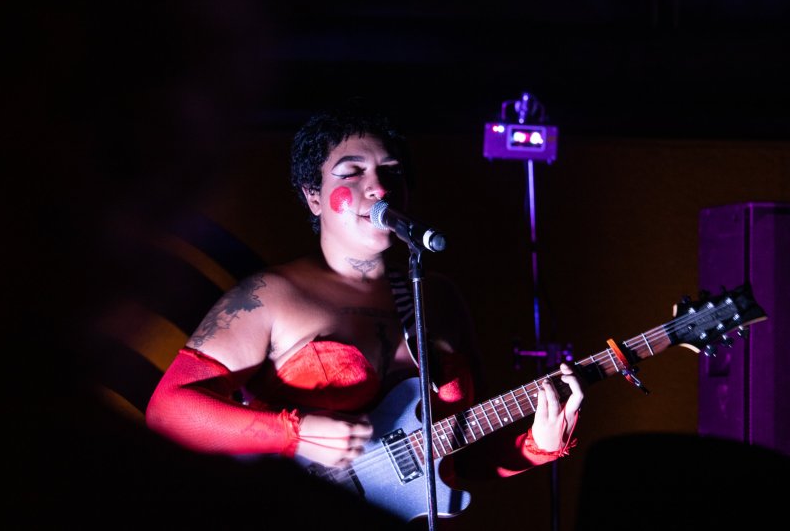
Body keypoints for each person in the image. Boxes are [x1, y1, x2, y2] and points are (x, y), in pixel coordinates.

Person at [145, 99, 584, 525]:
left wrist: (536, 446)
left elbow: (460, 458)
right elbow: (169, 410)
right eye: (352, 172)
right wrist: (293, 432)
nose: (378, 188)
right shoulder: (270, 296)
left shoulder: (438, 299)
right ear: (313, 196)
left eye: (391, 172)